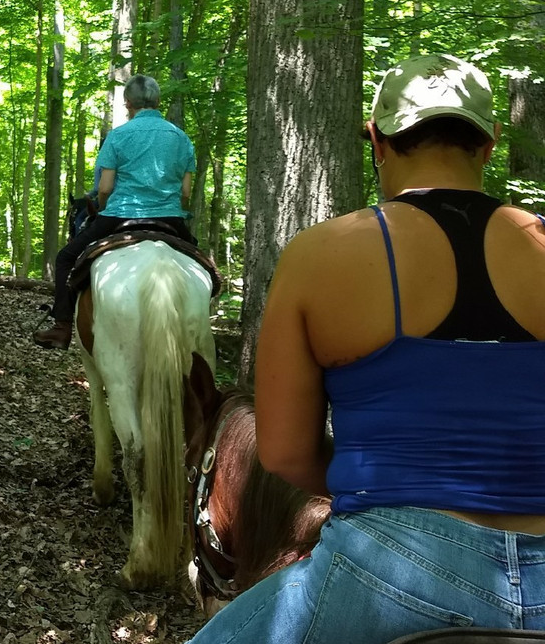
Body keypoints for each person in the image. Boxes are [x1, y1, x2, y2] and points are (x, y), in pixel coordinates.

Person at [187, 54, 545, 643]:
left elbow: (283, 454)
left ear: (377, 141)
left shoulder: (322, 255)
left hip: (393, 566)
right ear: (489, 143)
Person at [33, 73, 198, 350]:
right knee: (201, 265)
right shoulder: (181, 138)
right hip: (169, 217)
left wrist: (103, 208)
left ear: (127, 104)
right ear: (158, 101)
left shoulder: (118, 136)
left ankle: (61, 327)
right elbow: (185, 193)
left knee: (65, 258)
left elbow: (105, 188)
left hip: (121, 214)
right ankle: (199, 327)